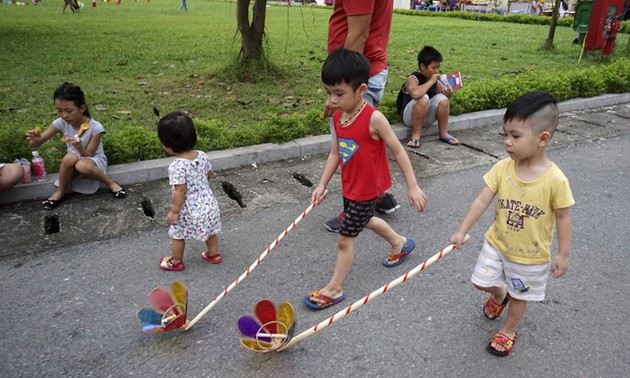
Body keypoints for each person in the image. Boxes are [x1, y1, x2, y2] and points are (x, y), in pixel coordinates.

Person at [449, 91, 574, 357]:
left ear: (542, 139)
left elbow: (563, 217)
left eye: (515, 136)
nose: (507, 142)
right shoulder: (503, 168)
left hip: (529, 257)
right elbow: (481, 201)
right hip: (497, 243)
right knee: (480, 282)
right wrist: (462, 230)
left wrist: (563, 255)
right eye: (504, 134)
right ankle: (498, 294)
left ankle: (508, 329)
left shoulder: (555, 180)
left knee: (520, 297)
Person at [304, 49, 428, 310]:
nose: (332, 100)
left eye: (339, 94)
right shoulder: (339, 117)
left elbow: (398, 149)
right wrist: (322, 184)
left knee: (344, 239)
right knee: (367, 220)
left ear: (361, 90)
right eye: (328, 92)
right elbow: (336, 152)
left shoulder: (373, 118)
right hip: (350, 186)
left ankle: (334, 289)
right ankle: (400, 243)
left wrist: (412, 186)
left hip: (367, 189)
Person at [324, 0, 400, 233]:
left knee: (355, 150)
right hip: (357, 80)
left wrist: (340, 93)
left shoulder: (351, 94)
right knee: (363, 147)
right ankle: (377, 197)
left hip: (356, 79)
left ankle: (357, 210)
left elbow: (358, 35)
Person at [26, 82, 126, 210]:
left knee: (81, 164)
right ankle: (61, 191)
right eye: (59, 110)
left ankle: (110, 183)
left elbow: (89, 154)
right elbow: (36, 144)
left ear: (82, 108)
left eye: (69, 111)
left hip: (93, 161)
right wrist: (35, 139)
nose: (64, 115)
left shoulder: (96, 128)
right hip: (73, 160)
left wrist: (79, 147)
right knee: (70, 158)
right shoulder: (61, 123)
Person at [156, 112, 221, 271]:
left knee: (177, 234)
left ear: (168, 146)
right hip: (209, 204)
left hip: (188, 209)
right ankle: (213, 255)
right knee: (211, 231)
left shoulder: (177, 166)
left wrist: (174, 211)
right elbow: (208, 174)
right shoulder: (202, 155)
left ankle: (176, 261)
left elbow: (180, 190)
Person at [396, 46, 459, 149]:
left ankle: (443, 133)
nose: (436, 71)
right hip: (409, 117)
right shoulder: (413, 78)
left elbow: (441, 99)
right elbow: (415, 94)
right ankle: (415, 136)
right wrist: (431, 82)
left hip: (425, 115)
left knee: (443, 100)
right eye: (433, 68)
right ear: (422, 66)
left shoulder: (434, 80)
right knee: (423, 98)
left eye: (438, 68)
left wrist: (448, 93)